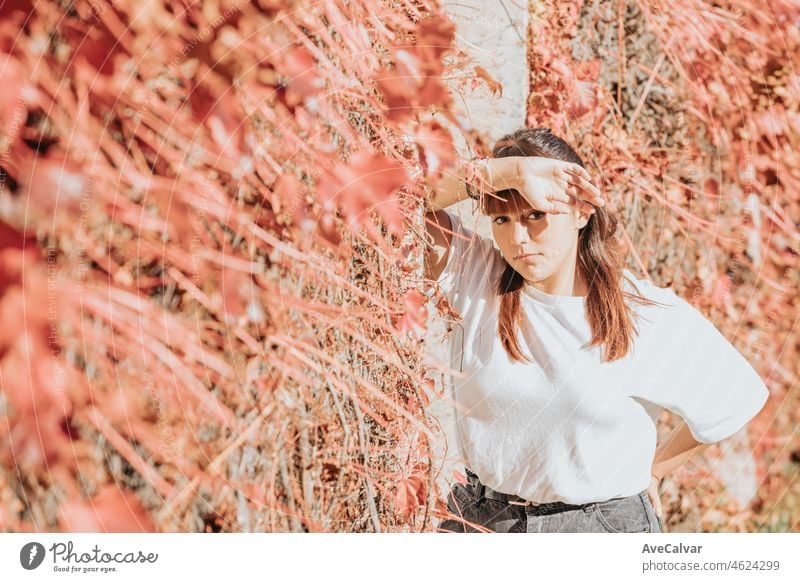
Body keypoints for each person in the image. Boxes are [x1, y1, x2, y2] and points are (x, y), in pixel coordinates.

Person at [423, 127, 769, 533]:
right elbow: (395, 201)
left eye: (537, 215)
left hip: (599, 527)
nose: (518, 238)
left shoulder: (642, 313)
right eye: (502, 218)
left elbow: (734, 395)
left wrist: (655, 472)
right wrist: (511, 171)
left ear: (581, 212)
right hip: (483, 521)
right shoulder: (475, 277)